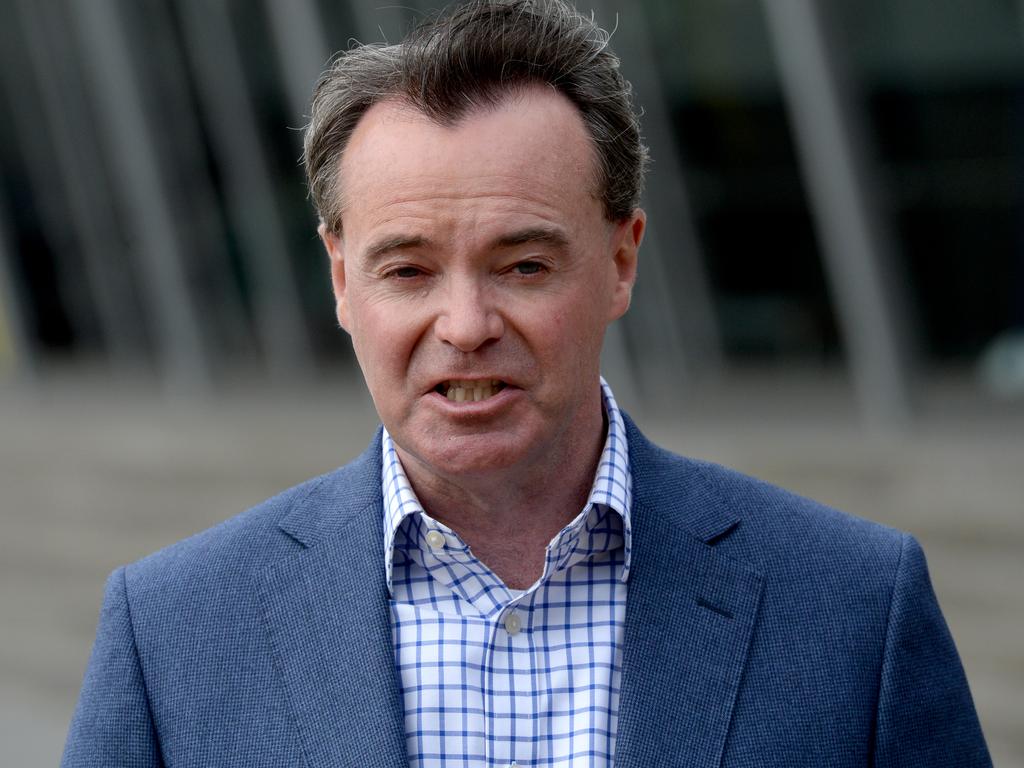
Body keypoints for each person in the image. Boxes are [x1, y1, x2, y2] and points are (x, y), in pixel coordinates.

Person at [62, 1, 991, 766]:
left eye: (523, 266)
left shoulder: (856, 609)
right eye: (409, 271)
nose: (465, 327)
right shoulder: (171, 635)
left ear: (622, 262)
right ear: (342, 282)